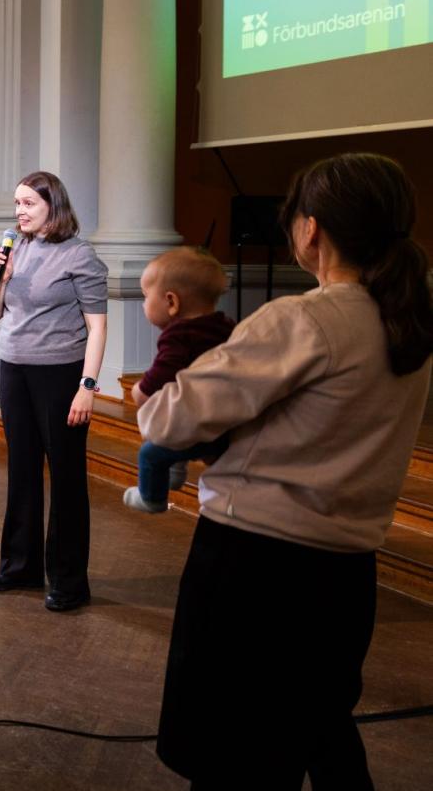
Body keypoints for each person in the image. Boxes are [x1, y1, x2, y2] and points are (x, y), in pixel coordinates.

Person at [142, 154, 433, 788]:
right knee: (321, 730)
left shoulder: (303, 318)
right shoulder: (406, 323)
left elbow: (166, 420)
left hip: (255, 570)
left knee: (232, 759)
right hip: (346, 572)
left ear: (310, 229)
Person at [0, 171, 108, 613]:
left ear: (53, 205)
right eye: (17, 203)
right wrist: (2, 278)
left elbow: (97, 328)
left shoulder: (79, 255)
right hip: (14, 369)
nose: (20, 211)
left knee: (67, 477)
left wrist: (87, 387)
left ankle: (70, 581)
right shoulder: (15, 248)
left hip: (61, 374)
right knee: (22, 469)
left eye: (29, 203)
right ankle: (21, 567)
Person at [120, 248, 235, 513]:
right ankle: (174, 470)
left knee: (150, 452)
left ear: (171, 302)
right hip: (225, 422)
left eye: (146, 296)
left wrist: (140, 390)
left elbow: (163, 374)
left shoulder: (179, 336)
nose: (143, 303)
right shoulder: (225, 326)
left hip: (198, 425)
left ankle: (152, 498)